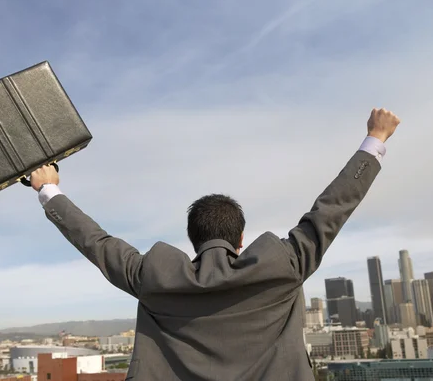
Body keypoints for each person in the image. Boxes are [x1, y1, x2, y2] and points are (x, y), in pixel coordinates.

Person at [29, 108, 400, 380]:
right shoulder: (283, 266)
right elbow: (331, 209)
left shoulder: (153, 276)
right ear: (241, 239)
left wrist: (48, 188)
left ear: (193, 239)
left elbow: (95, 241)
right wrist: (375, 139)